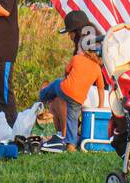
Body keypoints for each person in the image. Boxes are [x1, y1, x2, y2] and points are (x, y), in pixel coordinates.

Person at [38, 10, 104, 153]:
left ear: (77, 31)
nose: (69, 36)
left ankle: (63, 135)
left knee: (58, 92)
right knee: (67, 102)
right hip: (92, 92)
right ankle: (70, 141)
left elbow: (70, 73)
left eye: (70, 32)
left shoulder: (82, 49)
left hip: (88, 91)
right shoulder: (94, 42)